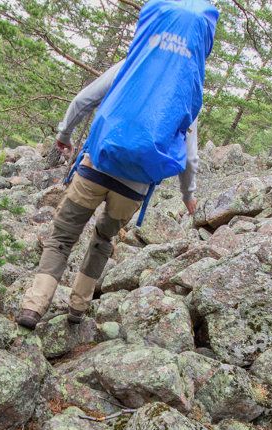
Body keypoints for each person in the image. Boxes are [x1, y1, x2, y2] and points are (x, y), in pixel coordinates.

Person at [16, 0, 218, 330]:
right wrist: (188, 194)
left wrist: (64, 133)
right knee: (102, 240)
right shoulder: (189, 86)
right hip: (133, 185)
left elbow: (85, 100)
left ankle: (33, 308)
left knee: (63, 236)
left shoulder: (133, 62)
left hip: (98, 166)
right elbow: (189, 153)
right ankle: (78, 308)